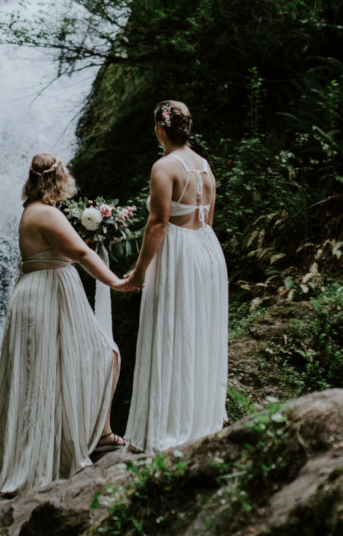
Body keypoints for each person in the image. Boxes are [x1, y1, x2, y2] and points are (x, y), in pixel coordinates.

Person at [0, 153, 133, 498]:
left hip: (42, 294)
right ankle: (97, 438)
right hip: (44, 298)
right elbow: (81, 255)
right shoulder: (46, 213)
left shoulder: (36, 211)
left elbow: (65, 249)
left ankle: (89, 438)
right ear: (57, 180)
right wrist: (118, 283)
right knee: (103, 355)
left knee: (48, 373)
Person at [123, 100, 229, 452]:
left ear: (159, 130)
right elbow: (208, 219)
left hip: (180, 253)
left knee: (172, 330)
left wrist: (140, 272)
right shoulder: (205, 166)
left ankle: (167, 426)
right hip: (207, 251)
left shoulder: (164, 167)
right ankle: (199, 420)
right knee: (198, 331)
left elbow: (158, 223)